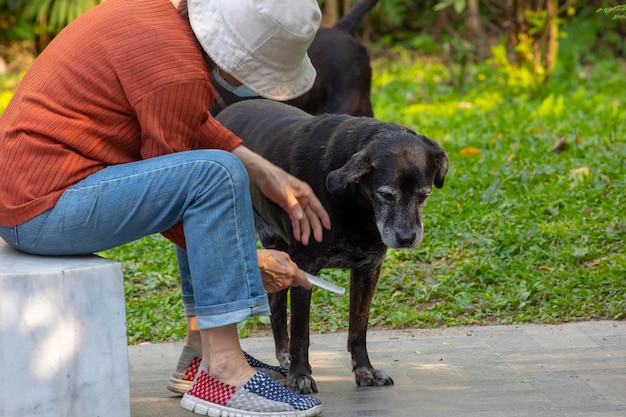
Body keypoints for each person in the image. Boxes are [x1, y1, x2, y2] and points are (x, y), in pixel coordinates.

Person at [0, 0, 330, 416]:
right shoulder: (176, 67)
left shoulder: (156, 18)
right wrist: (247, 260)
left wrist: (265, 172)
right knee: (213, 177)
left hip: (27, 196)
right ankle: (224, 373)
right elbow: (184, 190)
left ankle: (200, 358)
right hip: (44, 210)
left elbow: (182, 122)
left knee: (211, 171)